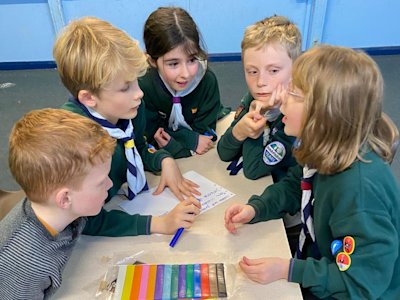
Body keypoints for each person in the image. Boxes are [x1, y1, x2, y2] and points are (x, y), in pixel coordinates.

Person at [224, 45, 400, 299]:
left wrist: (290, 270)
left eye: (294, 94)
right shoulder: (325, 146)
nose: (282, 99)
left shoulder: (357, 191)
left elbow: (360, 284)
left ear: (324, 114)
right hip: (325, 260)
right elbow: (299, 182)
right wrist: (258, 208)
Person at [54, 17, 201, 237]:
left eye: (136, 82)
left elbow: (137, 146)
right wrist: (156, 224)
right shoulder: (74, 140)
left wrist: (164, 160)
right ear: (88, 98)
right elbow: (83, 221)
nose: (139, 93)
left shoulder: (130, 108)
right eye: (125, 88)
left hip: (118, 205)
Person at [0, 108, 116, 298]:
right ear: (65, 199)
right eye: (101, 182)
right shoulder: (23, 265)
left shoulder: (63, 213)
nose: (110, 184)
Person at [217, 15, 300, 183]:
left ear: (296, 69)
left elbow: (252, 170)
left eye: (274, 71)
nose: (261, 82)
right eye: (252, 71)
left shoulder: (296, 114)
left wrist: (260, 114)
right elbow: (223, 152)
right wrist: (240, 130)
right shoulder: (255, 98)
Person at [139, 6, 225, 159]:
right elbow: (150, 136)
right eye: (173, 64)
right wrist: (189, 140)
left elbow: (205, 137)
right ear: (152, 61)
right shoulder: (143, 85)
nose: (185, 74)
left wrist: (175, 141)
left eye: (192, 60)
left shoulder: (207, 81)